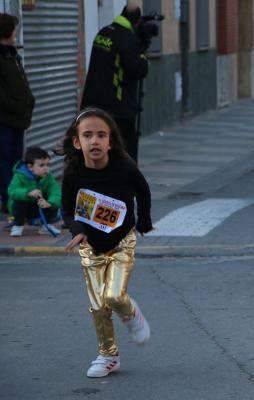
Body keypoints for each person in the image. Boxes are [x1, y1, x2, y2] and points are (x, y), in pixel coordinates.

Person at [56, 108, 153, 378]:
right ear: (77, 142)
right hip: (90, 245)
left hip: (122, 241)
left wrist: (143, 220)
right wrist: (76, 229)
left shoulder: (123, 166)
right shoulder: (73, 173)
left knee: (113, 296)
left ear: (110, 141)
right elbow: (66, 210)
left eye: (101, 135)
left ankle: (132, 314)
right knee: (98, 306)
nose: (95, 141)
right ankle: (108, 355)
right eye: (88, 135)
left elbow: (143, 191)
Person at [81, 5, 148, 162]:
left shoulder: (103, 33)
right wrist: (142, 51)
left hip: (93, 104)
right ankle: (121, 184)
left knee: (97, 149)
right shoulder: (127, 38)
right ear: (137, 21)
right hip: (118, 109)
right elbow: (139, 69)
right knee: (121, 152)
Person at [0, 13, 35, 215]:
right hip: (5, 119)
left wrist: (29, 101)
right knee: (5, 160)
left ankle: (15, 195)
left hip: (17, 119)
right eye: (14, 28)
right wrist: (15, 105)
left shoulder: (12, 55)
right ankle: (7, 197)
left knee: (15, 160)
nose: (16, 32)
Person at [7, 147, 61, 237]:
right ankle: (18, 225)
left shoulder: (48, 178)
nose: (46, 168)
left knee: (53, 203)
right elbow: (12, 191)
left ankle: (45, 225)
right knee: (19, 201)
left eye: (48, 165)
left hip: (37, 207)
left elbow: (56, 193)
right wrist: (28, 192)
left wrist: (49, 203)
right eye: (42, 165)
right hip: (21, 209)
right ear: (30, 167)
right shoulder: (19, 175)